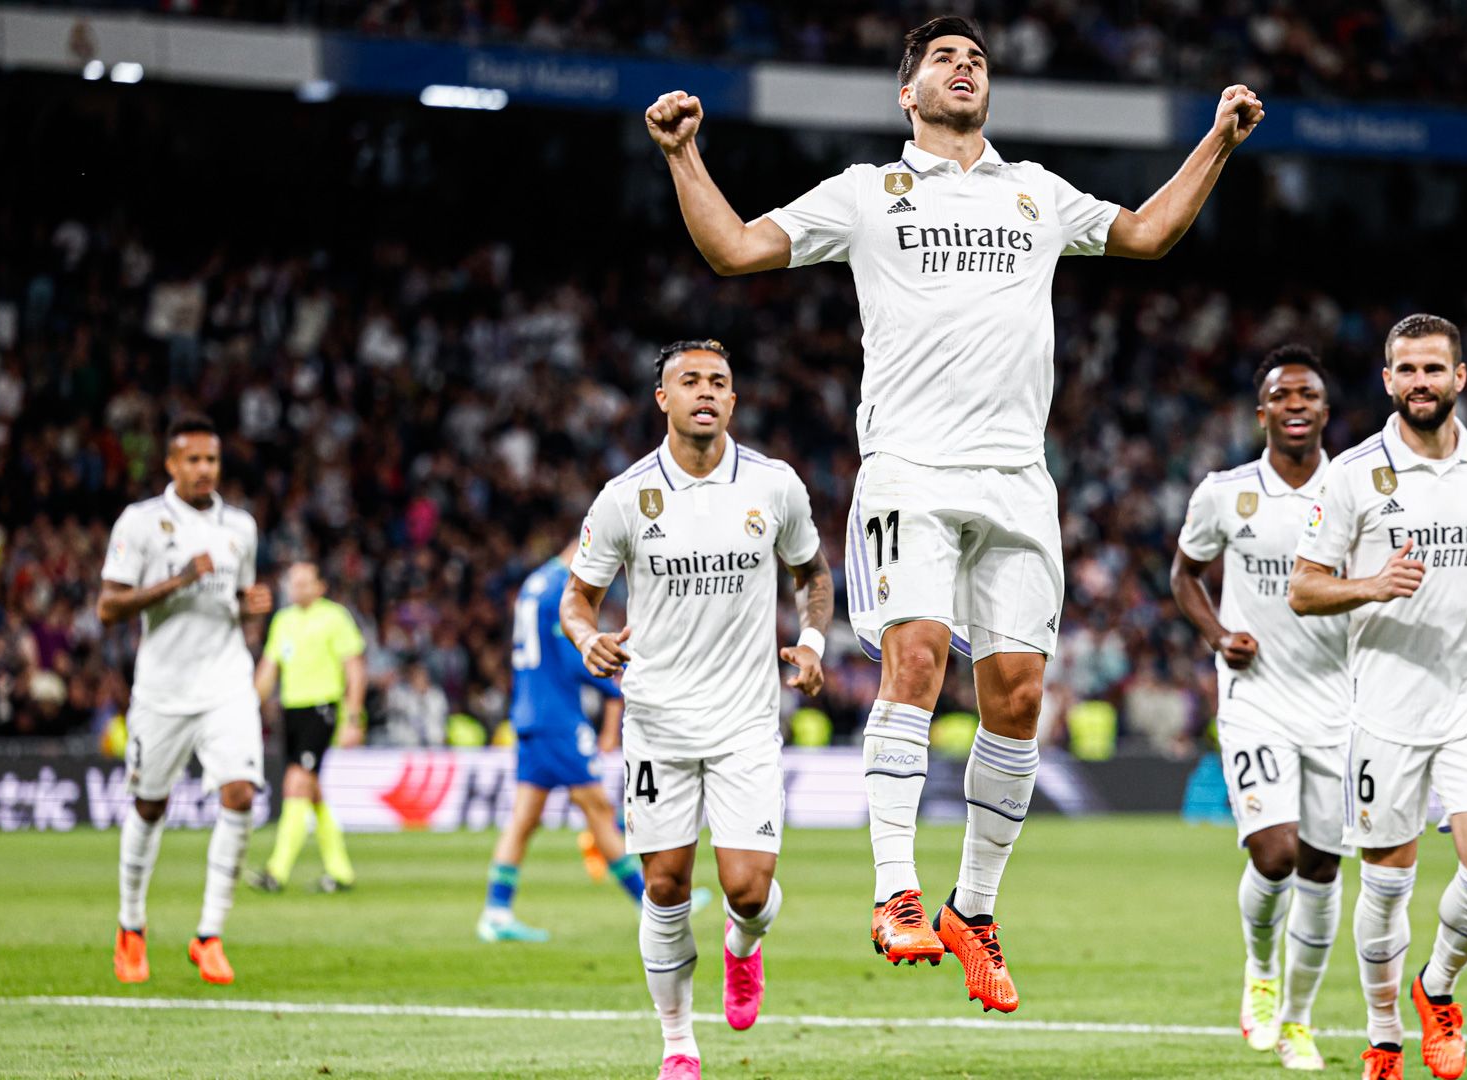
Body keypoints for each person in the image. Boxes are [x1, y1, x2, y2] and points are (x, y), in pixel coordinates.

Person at [643, 14, 1263, 1012]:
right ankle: (895, 887)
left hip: (1018, 477)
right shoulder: (866, 193)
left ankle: (973, 909)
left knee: (1018, 693)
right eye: (944, 58)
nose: (965, 66)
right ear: (909, 93)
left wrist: (1218, 142)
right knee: (919, 656)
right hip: (912, 469)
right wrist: (682, 155)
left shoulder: (1037, 192)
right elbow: (735, 249)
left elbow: (1148, 234)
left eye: (976, 58)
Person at [561, 340, 831, 1080]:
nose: (705, 391)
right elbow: (578, 597)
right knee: (665, 887)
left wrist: (811, 643)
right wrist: (587, 638)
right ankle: (678, 1044)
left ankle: (744, 947)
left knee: (748, 891)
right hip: (657, 721)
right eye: (690, 381)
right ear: (664, 399)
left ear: (733, 401)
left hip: (745, 721)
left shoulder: (773, 485)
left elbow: (812, 572)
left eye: (718, 382)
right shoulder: (625, 497)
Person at [1290, 314, 1467, 1080]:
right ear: (1387, 379)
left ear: (1459, 377)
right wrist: (1372, 585)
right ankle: (1383, 1037)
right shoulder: (1352, 474)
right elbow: (1303, 589)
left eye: (1434, 369)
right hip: (1387, 707)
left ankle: (1438, 989)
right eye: (1407, 369)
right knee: (1387, 883)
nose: (1420, 382)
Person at [1171, 346, 1347, 1071]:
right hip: (1256, 698)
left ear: (1325, 410)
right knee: (1275, 853)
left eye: (1308, 394)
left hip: (1341, 701)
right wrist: (1219, 636)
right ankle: (1261, 969)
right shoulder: (1225, 493)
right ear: (1262, 412)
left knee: (1322, 865)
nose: (1295, 405)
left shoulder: (1357, 490)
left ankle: (1300, 1019)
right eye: (1282, 395)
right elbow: (1185, 574)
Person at [100, 417, 273, 986]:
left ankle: (209, 935)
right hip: (163, 689)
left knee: (240, 793)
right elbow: (108, 607)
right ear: (171, 465)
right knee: (150, 805)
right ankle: (131, 925)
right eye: (193, 460)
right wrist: (176, 581)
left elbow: (235, 600)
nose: (204, 469)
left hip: (226, 681)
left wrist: (250, 606)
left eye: (212, 460)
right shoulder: (141, 522)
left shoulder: (240, 527)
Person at [475, 540, 662, 942]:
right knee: (598, 808)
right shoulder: (563, 588)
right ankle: (650, 904)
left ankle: (496, 911)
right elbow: (573, 657)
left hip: (530, 711)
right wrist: (614, 686)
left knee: (524, 819)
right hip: (557, 717)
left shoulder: (535, 583)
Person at [248, 561, 365, 893]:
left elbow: (355, 669)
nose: (296, 588)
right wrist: (247, 707)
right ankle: (340, 871)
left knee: (296, 783)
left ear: (320, 586)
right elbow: (269, 669)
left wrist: (353, 717)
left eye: (303, 582)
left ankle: (276, 872)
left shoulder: (335, 617)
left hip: (322, 708)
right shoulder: (283, 621)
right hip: (291, 712)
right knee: (311, 791)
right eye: (293, 582)